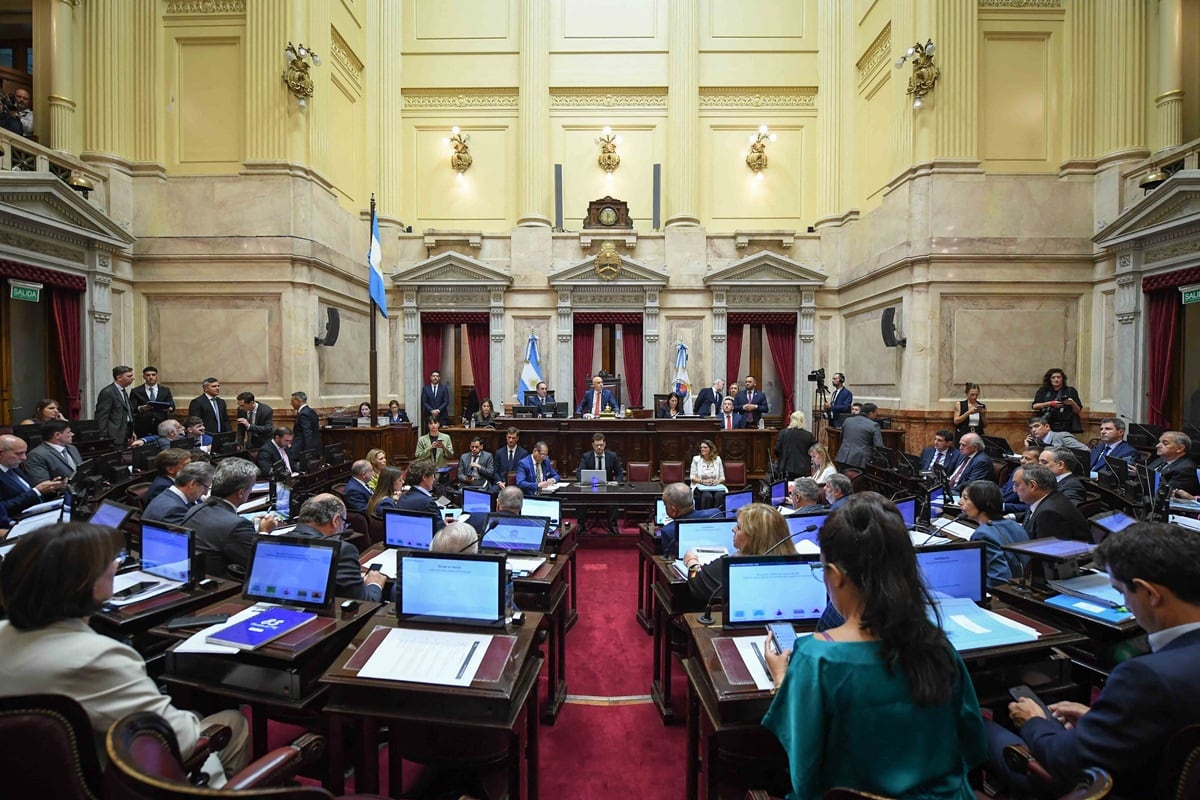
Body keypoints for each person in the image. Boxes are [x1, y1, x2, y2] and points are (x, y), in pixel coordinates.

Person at [762, 492, 987, 800]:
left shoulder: (816, 660)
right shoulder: (938, 647)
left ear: (835, 575)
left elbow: (804, 778)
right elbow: (972, 747)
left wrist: (780, 682)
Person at [0, 523, 251, 786]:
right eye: (108, 561)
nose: (116, 565)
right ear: (84, 583)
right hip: (110, 781)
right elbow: (182, 740)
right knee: (231, 722)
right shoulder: (97, 658)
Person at [985, 521, 1200, 798]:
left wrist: (1036, 722)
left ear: (1150, 594)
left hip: (1112, 787)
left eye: (1122, 592)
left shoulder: (1146, 677)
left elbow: (1067, 762)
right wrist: (1108, 719)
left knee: (983, 728)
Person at [181, 458, 278, 577]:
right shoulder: (237, 526)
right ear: (241, 493)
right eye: (251, 487)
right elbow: (262, 566)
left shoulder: (195, 509)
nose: (251, 491)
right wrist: (264, 533)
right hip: (225, 587)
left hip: (194, 577)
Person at [682, 503, 795, 603]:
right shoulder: (795, 564)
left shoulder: (731, 565)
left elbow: (695, 580)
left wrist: (692, 562)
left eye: (739, 527)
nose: (733, 529)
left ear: (754, 536)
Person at [292, 494, 386, 601]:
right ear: (335, 520)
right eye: (344, 523)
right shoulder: (342, 550)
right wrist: (374, 585)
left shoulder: (275, 541)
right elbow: (363, 602)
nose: (343, 528)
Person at [959, 480, 1029, 587]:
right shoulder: (1014, 525)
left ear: (983, 503)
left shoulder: (983, 534)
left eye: (965, 498)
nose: (960, 502)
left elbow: (998, 579)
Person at [1012, 464, 1091, 541]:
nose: (1014, 490)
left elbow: (1044, 551)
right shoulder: (1046, 499)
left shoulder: (1048, 513)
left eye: (1016, 485)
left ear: (1033, 486)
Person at [0, 433, 66, 514]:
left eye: (25, 453)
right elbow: (3, 508)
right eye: (19, 453)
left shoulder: (15, 467)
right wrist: (36, 491)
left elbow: (28, 491)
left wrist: (51, 487)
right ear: (1, 453)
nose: (24, 458)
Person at [658, 482, 723, 558]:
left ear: (674, 510)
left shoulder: (669, 531)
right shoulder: (716, 513)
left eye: (665, 504)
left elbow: (670, 560)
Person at [577, 432, 625, 534]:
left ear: (605, 444)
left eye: (601, 445)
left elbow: (620, 472)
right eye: (597, 445)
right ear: (593, 445)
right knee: (579, 497)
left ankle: (612, 525)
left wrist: (616, 481)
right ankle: (581, 524)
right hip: (590, 488)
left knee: (614, 498)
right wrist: (585, 481)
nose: (599, 447)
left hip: (607, 489)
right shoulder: (586, 456)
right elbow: (579, 473)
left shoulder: (612, 456)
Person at [143, 461, 213, 525]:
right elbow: (185, 536)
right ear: (192, 484)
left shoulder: (168, 495)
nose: (205, 493)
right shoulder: (174, 510)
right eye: (205, 487)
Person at [24, 419, 83, 484]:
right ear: (57, 435)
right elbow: (42, 484)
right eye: (68, 432)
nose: (72, 434)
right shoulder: (36, 455)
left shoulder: (72, 448)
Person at [397, 460, 446, 531]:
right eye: (432, 476)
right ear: (424, 477)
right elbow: (440, 531)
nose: (434, 479)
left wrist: (442, 523)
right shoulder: (427, 503)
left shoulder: (403, 497)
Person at [1148, 430, 1200, 495]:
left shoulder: (1186, 469)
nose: (1157, 446)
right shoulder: (1161, 459)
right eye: (1159, 442)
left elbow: (1166, 494)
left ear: (1180, 448)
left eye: (1165, 443)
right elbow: (1148, 474)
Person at [1032, 368, 1083, 433]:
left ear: (1062, 379)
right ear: (1049, 379)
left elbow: (1077, 411)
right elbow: (1035, 406)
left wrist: (1072, 403)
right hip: (1048, 424)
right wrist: (1050, 403)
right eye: (1053, 377)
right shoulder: (1043, 391)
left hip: (1066, 426)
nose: (1056, 379)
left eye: (1059, 377)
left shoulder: (1070, 391)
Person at [94, 365, 135, 445]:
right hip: (113, 436)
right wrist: (103, 436)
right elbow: (102, 416)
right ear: (119, 378)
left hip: (125, 434)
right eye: (129, 376)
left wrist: (131, 431)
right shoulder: (108, 392)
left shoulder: (123, 391)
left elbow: (127, 413)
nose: (132, 378)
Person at [129, 366, 175, 438]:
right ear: (144, 376)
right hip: (142, 426)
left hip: (161, 425)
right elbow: (132, 409)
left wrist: (170, 408)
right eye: (148, 375)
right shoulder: (136, 391)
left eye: (153, 375)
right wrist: (141, 408)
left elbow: (172, 405)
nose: (151, 377)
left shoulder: (165, 390)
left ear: (157, 376)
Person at [835, 402, 883, 468]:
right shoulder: (874, 425)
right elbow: (878, 446)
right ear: (871, 413)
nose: (876, 416)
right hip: (859, 461)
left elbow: (841, 438)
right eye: (875, 413)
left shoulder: (847, 420)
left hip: (842, 457)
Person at [774, 411, 816, 480]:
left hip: (786, 468)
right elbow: (816, 450)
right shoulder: (808, 435)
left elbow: (777, 449)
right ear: (803, 421)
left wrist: (782, 457)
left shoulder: (783, 433)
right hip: (803, 469)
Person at [1001, 446, 1042, 517]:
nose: (1022, 461)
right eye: (1022, 457)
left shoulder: (1040, 479)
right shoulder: (1018, 470)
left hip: (1013, 514)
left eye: (1028, 459)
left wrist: (1004, 506)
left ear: (1039, 462)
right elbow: (1005, 487)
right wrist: (993, 497)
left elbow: (1030, 507)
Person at [689, 439, 726, 510]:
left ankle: (718, 516)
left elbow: (722, 477)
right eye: (701, 447)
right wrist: (703, 481)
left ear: (711, 449)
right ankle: (706, 517)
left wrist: (717, 481)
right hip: (700, 486)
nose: (702, 449)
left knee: (720, 495)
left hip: (715, 486)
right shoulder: (696, 459)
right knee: (707, 496)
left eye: (705, 447)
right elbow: (692, 477)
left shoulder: (717, 459)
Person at [289, 391, 321, 455]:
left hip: (302, 449)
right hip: (314, 446)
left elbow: (307, 433)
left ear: (298, 401)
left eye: (292, 401)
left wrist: (308, 453)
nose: (291, 403)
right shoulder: (311, 411)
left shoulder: (303, 414)